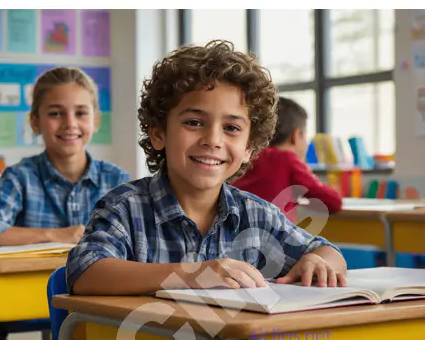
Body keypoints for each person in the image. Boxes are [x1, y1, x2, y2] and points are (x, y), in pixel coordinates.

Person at [66, 40, 347, 296]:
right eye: (194, 123)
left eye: (231, 128)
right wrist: (196, 275)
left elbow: (328, 252)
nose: (213, 140)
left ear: (249, 147)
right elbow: (86, 272)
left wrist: (316, 261)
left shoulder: (258, 215)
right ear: (159, 133)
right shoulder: (124, 208)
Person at [0, 67, 130, 248]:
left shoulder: (116, 180)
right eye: (56, 114)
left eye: (80, 113)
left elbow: (135, 244)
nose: (70, 124)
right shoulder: (20, 178)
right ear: (35, 122)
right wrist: (54, 235)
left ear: (95, 121)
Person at [232, 96, 343, 223]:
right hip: (273, 239)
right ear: (297, 135)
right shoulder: (286, 159)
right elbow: (334, 201)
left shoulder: (246, 154)